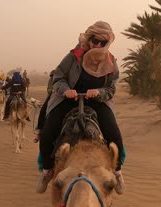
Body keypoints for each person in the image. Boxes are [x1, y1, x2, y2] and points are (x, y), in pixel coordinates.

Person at [36, 21, 125, 195]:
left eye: (102, 42)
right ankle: (47, 171)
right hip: (69, 99)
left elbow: (111, 89)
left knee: (114, 135)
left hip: (96, 102)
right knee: (47, 135)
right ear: (89, 38)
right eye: (94, 40)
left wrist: (98, 92)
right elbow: (58, 77)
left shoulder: (111, 62)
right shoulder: (73, 56)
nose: (97, 45)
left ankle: (118, 172)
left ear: (108, 43)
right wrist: (66, 90)